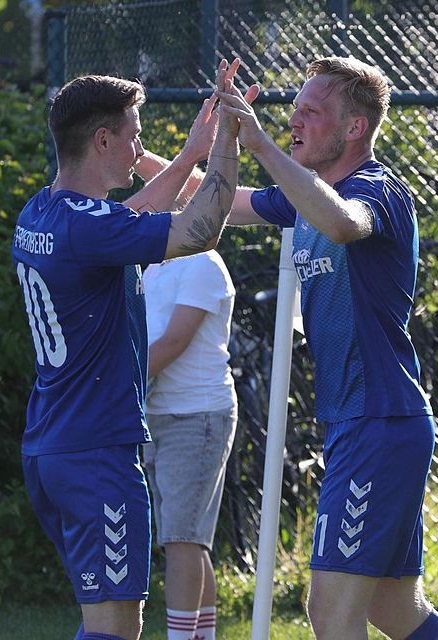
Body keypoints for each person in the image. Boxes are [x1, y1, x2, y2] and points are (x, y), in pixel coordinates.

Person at [147, 56, 438, 640]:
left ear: (354, 129)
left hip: (380, 420)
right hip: (360, 422)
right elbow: (220, 198)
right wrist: (177, 152)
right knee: (394, 610)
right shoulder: (302, 195)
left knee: (330, 612)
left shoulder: (377, 189)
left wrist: (264, 146)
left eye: (311, 113)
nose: (295, 121)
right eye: (293, 110)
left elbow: (345, 223)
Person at [10, 59, 244, 640]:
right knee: (116, 627)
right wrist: (227, 144)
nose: (141, 147)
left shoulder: (44, 211)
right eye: (135, 135)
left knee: (109, 621)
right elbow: (200, 230)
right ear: (103, 139)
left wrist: (189, 155)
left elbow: (128, 218)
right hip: (97, 450)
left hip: (54, 444)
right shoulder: (88, 227)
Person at [141, 248, 237, 640]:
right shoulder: (151, 266)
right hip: (157, 413)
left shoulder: (203, 263)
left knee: (182, 539)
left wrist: (111, 384)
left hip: (198, 416)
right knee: (186, 540)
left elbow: (175, 341)